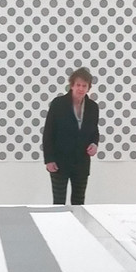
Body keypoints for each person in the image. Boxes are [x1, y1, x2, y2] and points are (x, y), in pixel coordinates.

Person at [42, 67, 100, 205]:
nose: (81, 88)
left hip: (81, 162)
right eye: (78, 85)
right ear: (72, 85)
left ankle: (78, 226)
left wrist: (94, 144)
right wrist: (49, 159)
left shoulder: (93, 107)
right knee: (59, 202)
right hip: (59, 161)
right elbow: (48, 132)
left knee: (79, 202)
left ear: (88, 88)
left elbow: (94, 130)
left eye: (84, 86)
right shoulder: (58, 104)